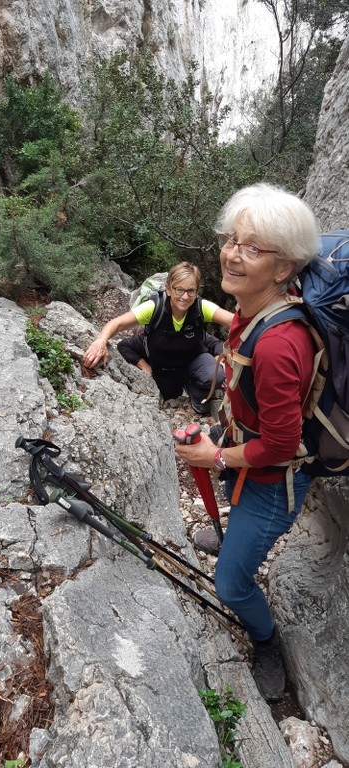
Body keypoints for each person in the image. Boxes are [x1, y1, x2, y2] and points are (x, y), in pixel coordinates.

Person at [174, 183, 320, 702]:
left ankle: (268, 641)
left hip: (272, 479)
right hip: (248, 455)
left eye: (252, 247)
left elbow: (282, 445)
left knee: (230, 586)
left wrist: (212, 455)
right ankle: (232, 537)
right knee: (233, 546)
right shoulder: (251, 312)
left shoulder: (279, 343)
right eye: (231, 239)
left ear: (284, 268)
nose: (232, 254)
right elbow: (227, 328)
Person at [83, 262, 234, 413]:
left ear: (197, 291)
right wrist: (101, 341)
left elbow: (235, 322)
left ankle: (196, 391)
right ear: (168, 288)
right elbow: (117, 324)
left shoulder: (201, 308)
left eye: (191, 291)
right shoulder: (155, 308)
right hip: (164, 369)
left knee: (215, 375)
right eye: (179, 289)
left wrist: (226, 354)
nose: (185, 296)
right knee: (169, 394)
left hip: (192, 361)